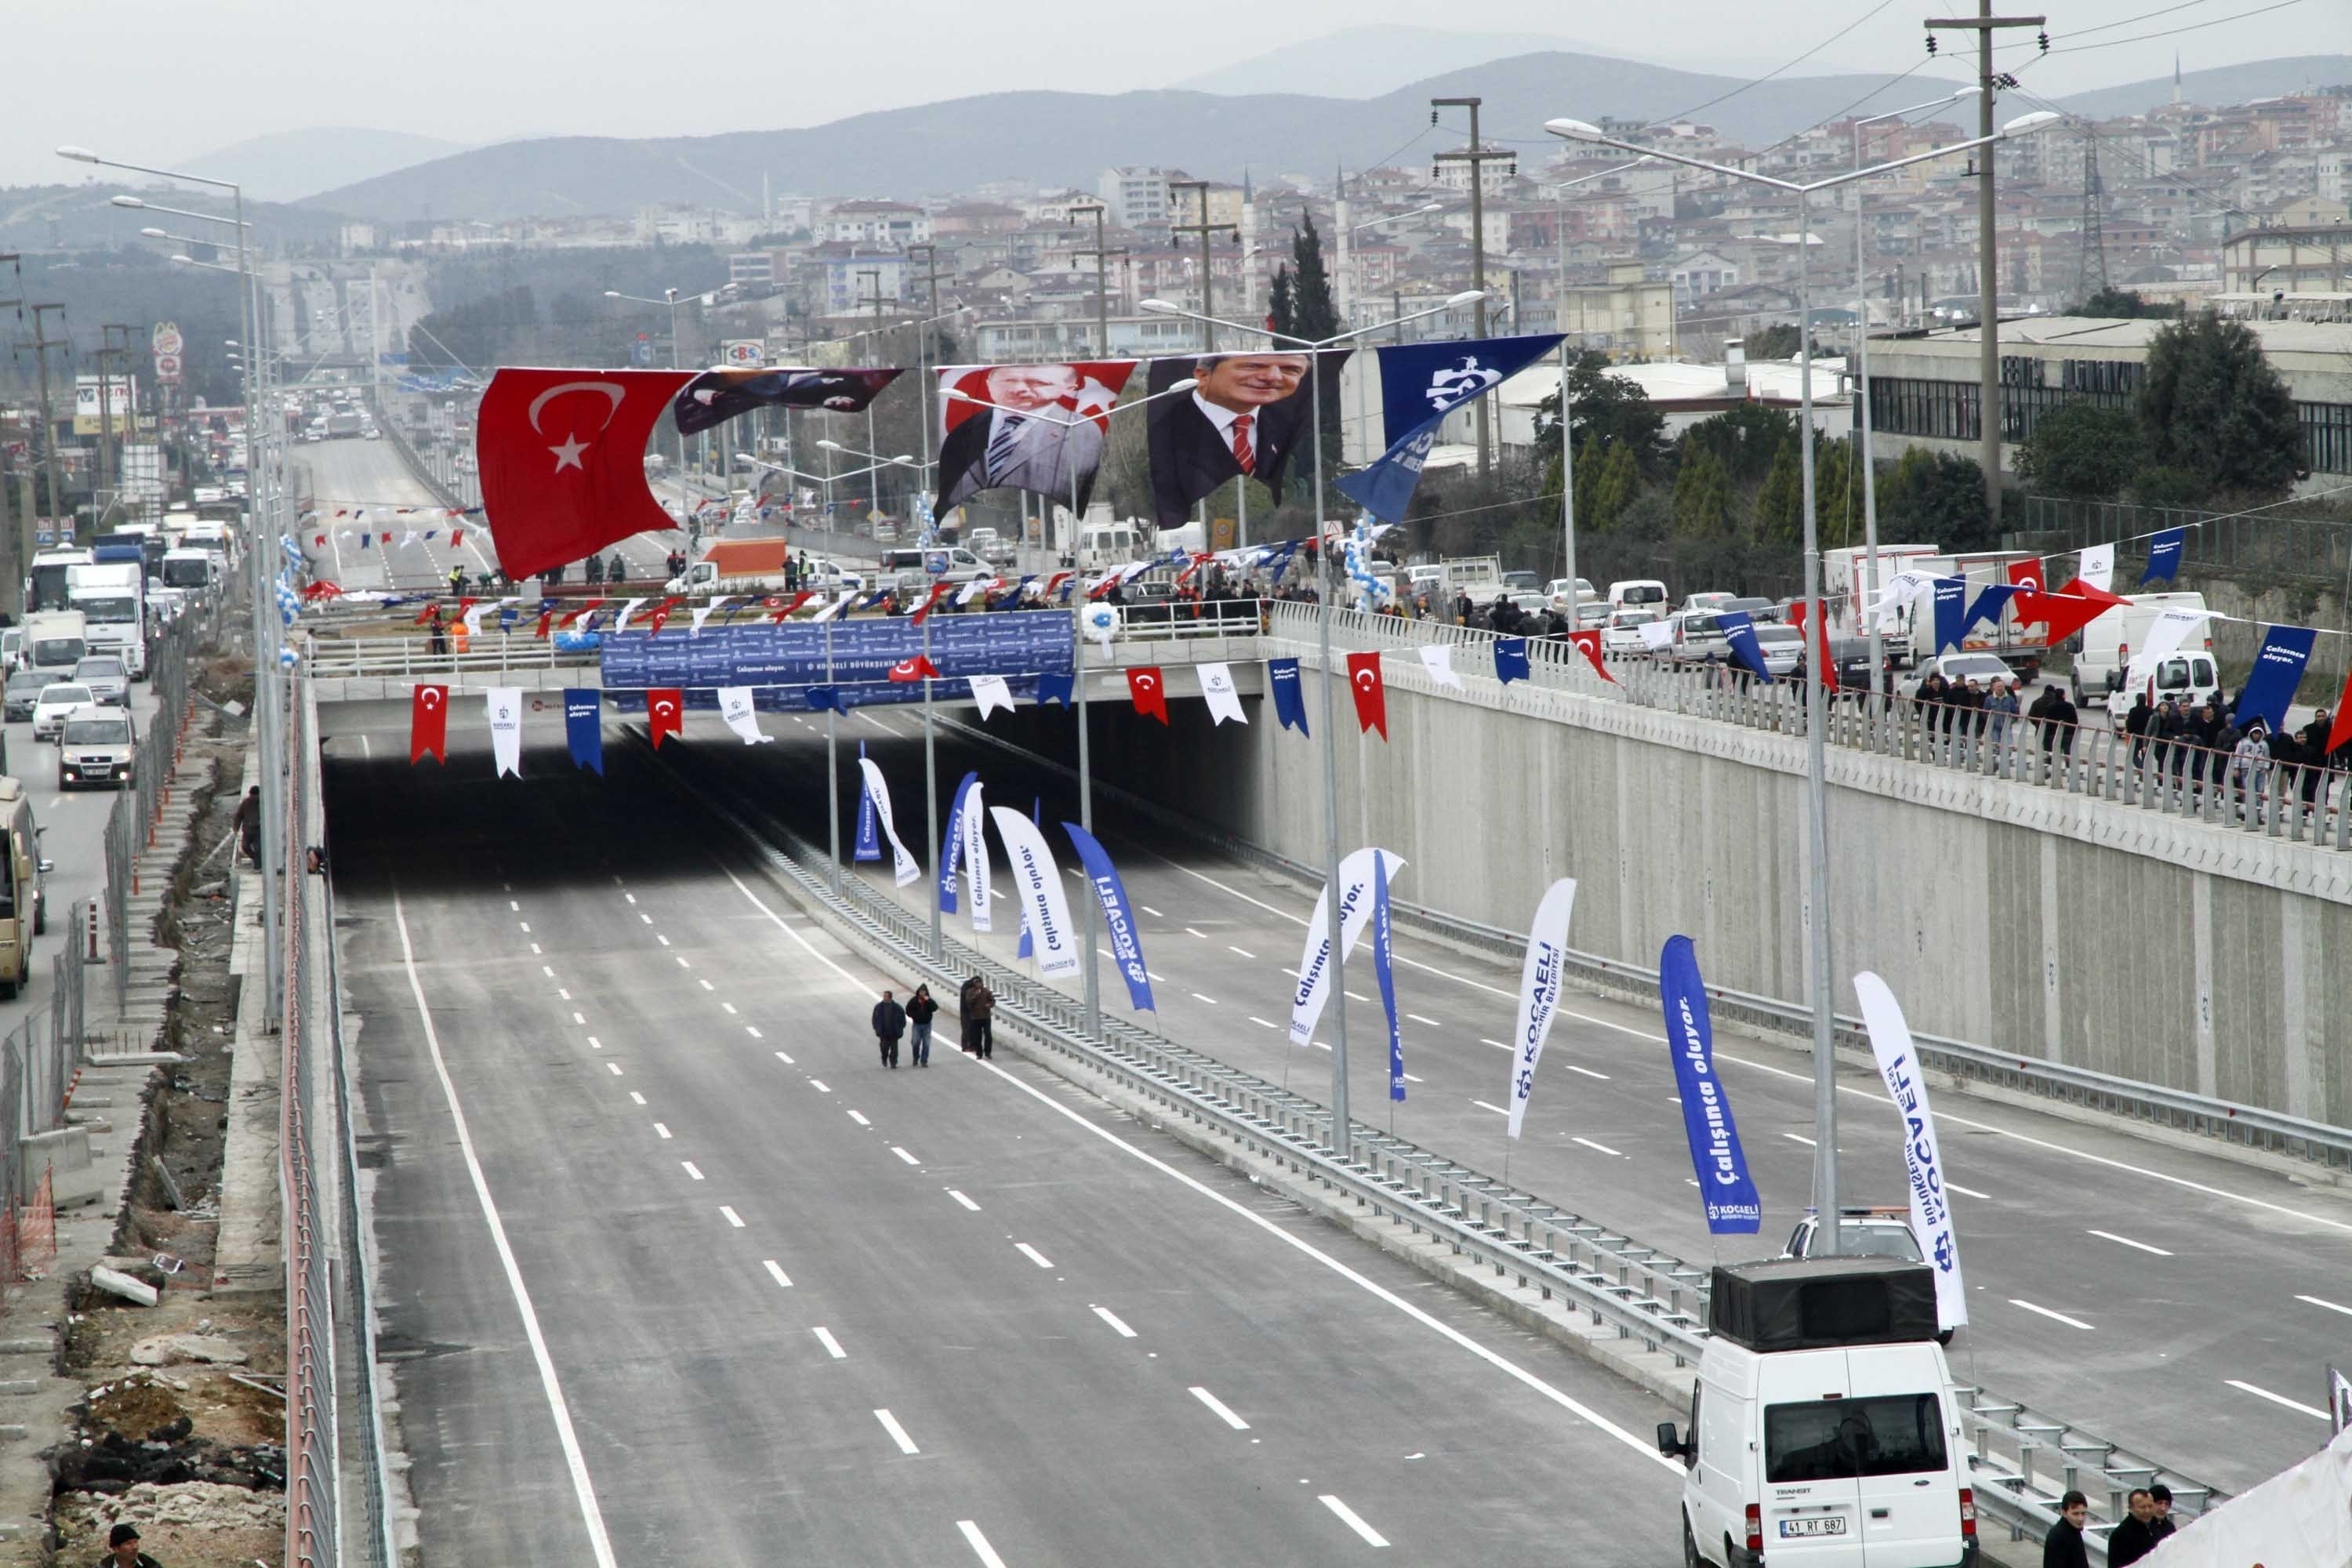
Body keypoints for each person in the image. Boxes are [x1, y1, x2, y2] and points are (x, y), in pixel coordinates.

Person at [1147, 351, 1319, 527]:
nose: (1273, 377)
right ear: (1203, 376)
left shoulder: (1289, 429)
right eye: (1253, 366)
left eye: (1290, 369)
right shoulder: (1163, 431)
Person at [938, 364, 1107, 510]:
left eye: (1038, 383)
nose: (1019, 389)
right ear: (988, 384)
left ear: (1069, 387)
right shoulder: (962, 434)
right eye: (1008, 381)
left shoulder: (1081, 432)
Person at [2107, 1488, 2159, 1566]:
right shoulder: (2121, 1535)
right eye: (2143, 1507)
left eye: (2150, 1506)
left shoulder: (2158, 1526)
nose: (2147, 1511)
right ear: (2131, 1508)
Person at [2042, 1489, 2091, 1568]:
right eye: (2075, 1514)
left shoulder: (2074, 1530)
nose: (2080, 1518)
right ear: (2064, 1513)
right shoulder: (2057, 1537)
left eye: (2083, 1513)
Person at [96, 1522, 161, 1568]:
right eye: (129, 1543)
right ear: (116, 1549)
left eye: (135, 1542)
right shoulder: (104, 1566)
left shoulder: (150, 1565)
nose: (135, 1547)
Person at [904, 983, 937, 1068]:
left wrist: (928, 1000)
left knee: (926, 1044)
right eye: (921, 992)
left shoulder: (928, 1000)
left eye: (924, 992)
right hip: (917, 1025)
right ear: (918, 992)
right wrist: (913, 1016)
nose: (922, 993)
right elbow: (908, 1010)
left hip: (927, 1025)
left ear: (926, 992)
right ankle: (916, 1057)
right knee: (915, 1042)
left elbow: (935, 1008)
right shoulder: (914, 1000)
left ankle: (924, 1061)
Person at [871, 989, 906, 1069]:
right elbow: (874, 1019)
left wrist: (900, 1028)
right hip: (883, 1033)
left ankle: (893, 1062)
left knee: (894, 1050)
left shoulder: (897, 1008)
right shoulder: (878, 1007)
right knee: (884, 1048)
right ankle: (884, 1058)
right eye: (884, 996)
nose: (884, 997)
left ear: (890, 997)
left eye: (886, 996)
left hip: (894, 1033)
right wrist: (876, 1028)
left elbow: (903, 1020)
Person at [965, 976, 996, 1059]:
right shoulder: (970, 992)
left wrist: (989, 1005)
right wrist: (975, 995)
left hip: (986, 1017)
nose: (979, 985)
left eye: (980, 983)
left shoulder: (986, 991)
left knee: (988, 1035)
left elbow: (992, 1000)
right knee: (978, 1036)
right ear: (974, 985)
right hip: (975, 1017)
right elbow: (968, 1002)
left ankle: (988, 1052)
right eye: (976, 983)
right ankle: (979, 1053)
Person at [232, 786, 261, 866]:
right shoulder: (245, 803)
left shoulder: (262, 803)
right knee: (245, 847)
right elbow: (239, 816)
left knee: (258, 849)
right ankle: (256, 859)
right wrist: (235, 829)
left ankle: (258, 866)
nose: (254, 798)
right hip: (247, 831)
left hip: (258, 831)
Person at [2145, 1483, 2176, 1547]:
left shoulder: (2170, 1528)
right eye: (2159, 1503)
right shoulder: (2140, 1528)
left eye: (2167, 1504)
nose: (2163, 1508)